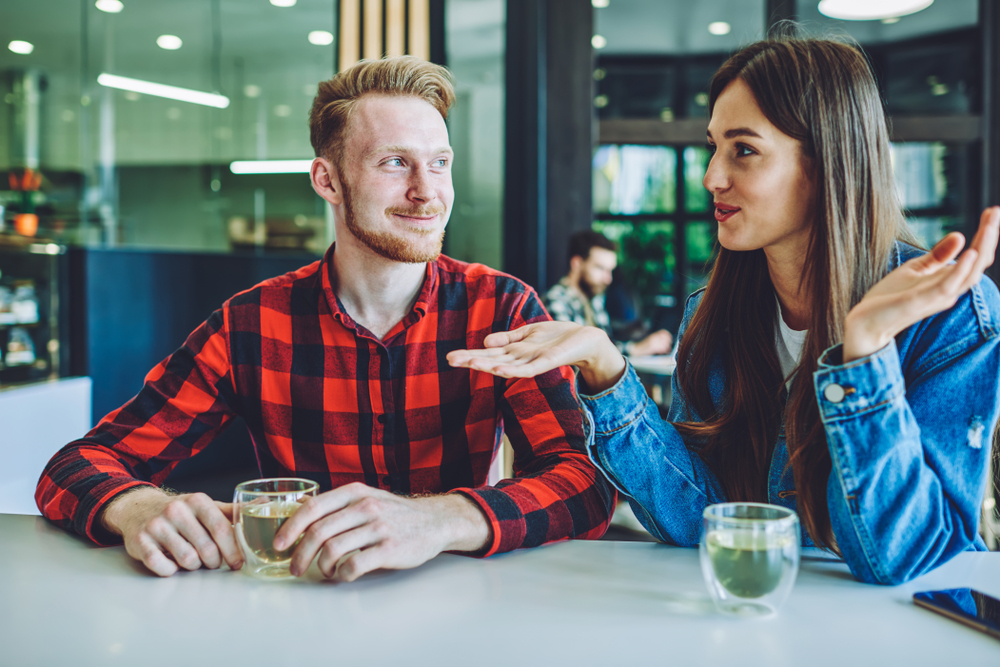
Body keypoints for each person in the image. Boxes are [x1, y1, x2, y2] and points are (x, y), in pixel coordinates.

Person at [449, 36, 1000, 585]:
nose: (712, 176)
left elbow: (901, 556)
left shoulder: (948, 314)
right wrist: (606, 367)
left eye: (744, 149)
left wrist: (864, 354)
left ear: (828, 160)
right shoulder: (714, 314)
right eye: (713, 146)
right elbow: (701, 518)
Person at [36, 56, 614, 579]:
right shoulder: (252, 324)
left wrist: (438, 521)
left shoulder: (502, 306)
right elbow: (73, 466)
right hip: (299, 605)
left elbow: (585, 485)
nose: (427, 191)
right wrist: (141, 508)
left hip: (459, 610)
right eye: (395, 163)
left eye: (439, 163)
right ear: (327, 180)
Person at [544, 229, 673, 357]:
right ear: (576, 263)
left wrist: (643, 344)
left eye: (610, 270)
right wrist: (636, 349)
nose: (608, 279)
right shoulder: (555, 302)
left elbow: (606, 346)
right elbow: (577, 357)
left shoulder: (593, 299)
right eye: (600, 268)